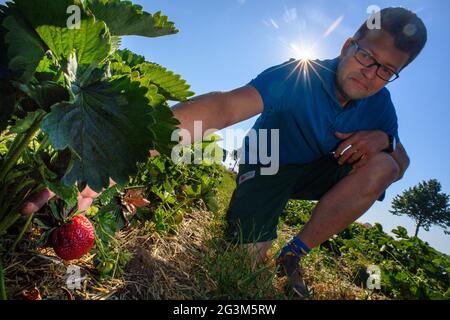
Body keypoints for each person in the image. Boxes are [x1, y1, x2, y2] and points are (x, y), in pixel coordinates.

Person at [22, 7, 427, 299]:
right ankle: (254, 221)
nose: (370, 73)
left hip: (320, 170)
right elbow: (221, 108)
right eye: (365, 56)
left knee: (384, 166)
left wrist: (384, 142)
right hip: (269, 162)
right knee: (246, 265)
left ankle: (295, 253)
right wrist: (108, 163)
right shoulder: (297, 74)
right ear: (347, 43)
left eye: (386, 70)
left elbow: (401, 165)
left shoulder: (381, 105)